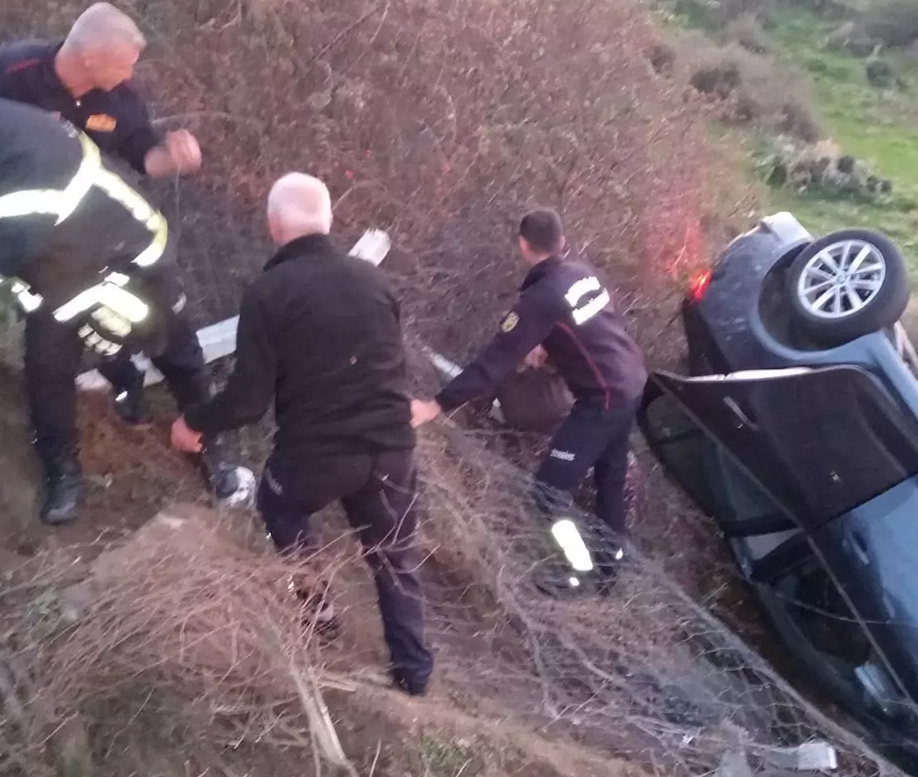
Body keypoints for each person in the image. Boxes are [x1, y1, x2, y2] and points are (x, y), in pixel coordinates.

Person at [0, 2, 243, 500]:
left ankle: (209, 446)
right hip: (34, 248)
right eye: (123, 64)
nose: (130, 75)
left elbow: (144, 156)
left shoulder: (119, 99)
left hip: (104, 230)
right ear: (88, 57)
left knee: (174, 344)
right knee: (48, 362)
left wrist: (171, 160)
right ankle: (61, 471)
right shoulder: (11, 73)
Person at [169, 174, 434, 697]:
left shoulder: (269, 291)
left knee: (280, 506)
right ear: (329, 222)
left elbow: (247, 401)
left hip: (318, 453)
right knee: (393, 555)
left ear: (274, 226)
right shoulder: (376, 282)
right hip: (391, 446)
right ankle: (415, 673)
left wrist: (193, 422)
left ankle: (318, 621)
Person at [411, 208, 647, 596]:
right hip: (632, 381)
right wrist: (552, 351)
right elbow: (595, 330)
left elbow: (494, 362)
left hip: (604, 398)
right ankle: (610, 567)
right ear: (562, 242)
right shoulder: (581, 272)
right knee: (611, 474)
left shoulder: (540, 299)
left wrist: (436, 405)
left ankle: (580, 571)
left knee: (549, 491)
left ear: (523, 245)